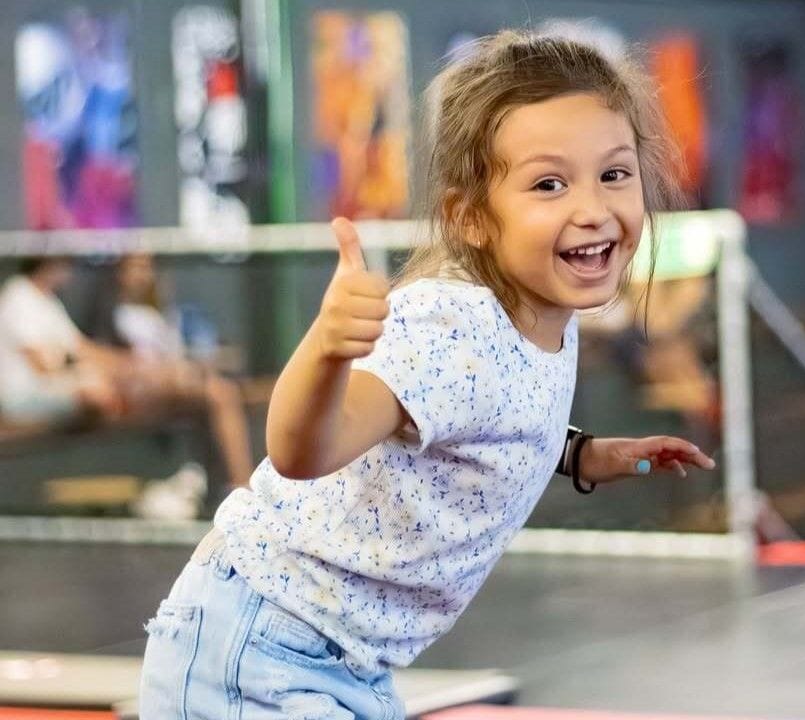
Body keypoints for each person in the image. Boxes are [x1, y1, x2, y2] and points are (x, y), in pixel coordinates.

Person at [139, 31, 716, 718]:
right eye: (549, 184)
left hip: (343, 658)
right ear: (470, 219)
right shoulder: (449, 326)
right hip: (263, 646)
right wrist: (325, 348)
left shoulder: (545, 317)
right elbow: (302, 453)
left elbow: (489, 415)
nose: (592, 209)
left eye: (614, 174)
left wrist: (582, 454)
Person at [89, 253, 254, 490]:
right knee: (216, 391)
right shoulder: (110, 314)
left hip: (173, 383)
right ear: (119, 272)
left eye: (146, 268)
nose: (141, 275)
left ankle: (240, 485)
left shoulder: (160, 313)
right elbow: (103, 358)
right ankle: (239, 484)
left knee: (223, 391)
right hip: (135, 391)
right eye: (134, 267)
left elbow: (176, 353)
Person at [0, 256, 123, 425]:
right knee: (96, 393)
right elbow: (44, 365)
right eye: (66, 263)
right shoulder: (18, 295)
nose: (69, 272)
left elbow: (80, 347)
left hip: (50, 387)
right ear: (47, 262)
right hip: (20, 396)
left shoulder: (49, 299)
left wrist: (123, 366)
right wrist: (80, 370)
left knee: (122, 384)